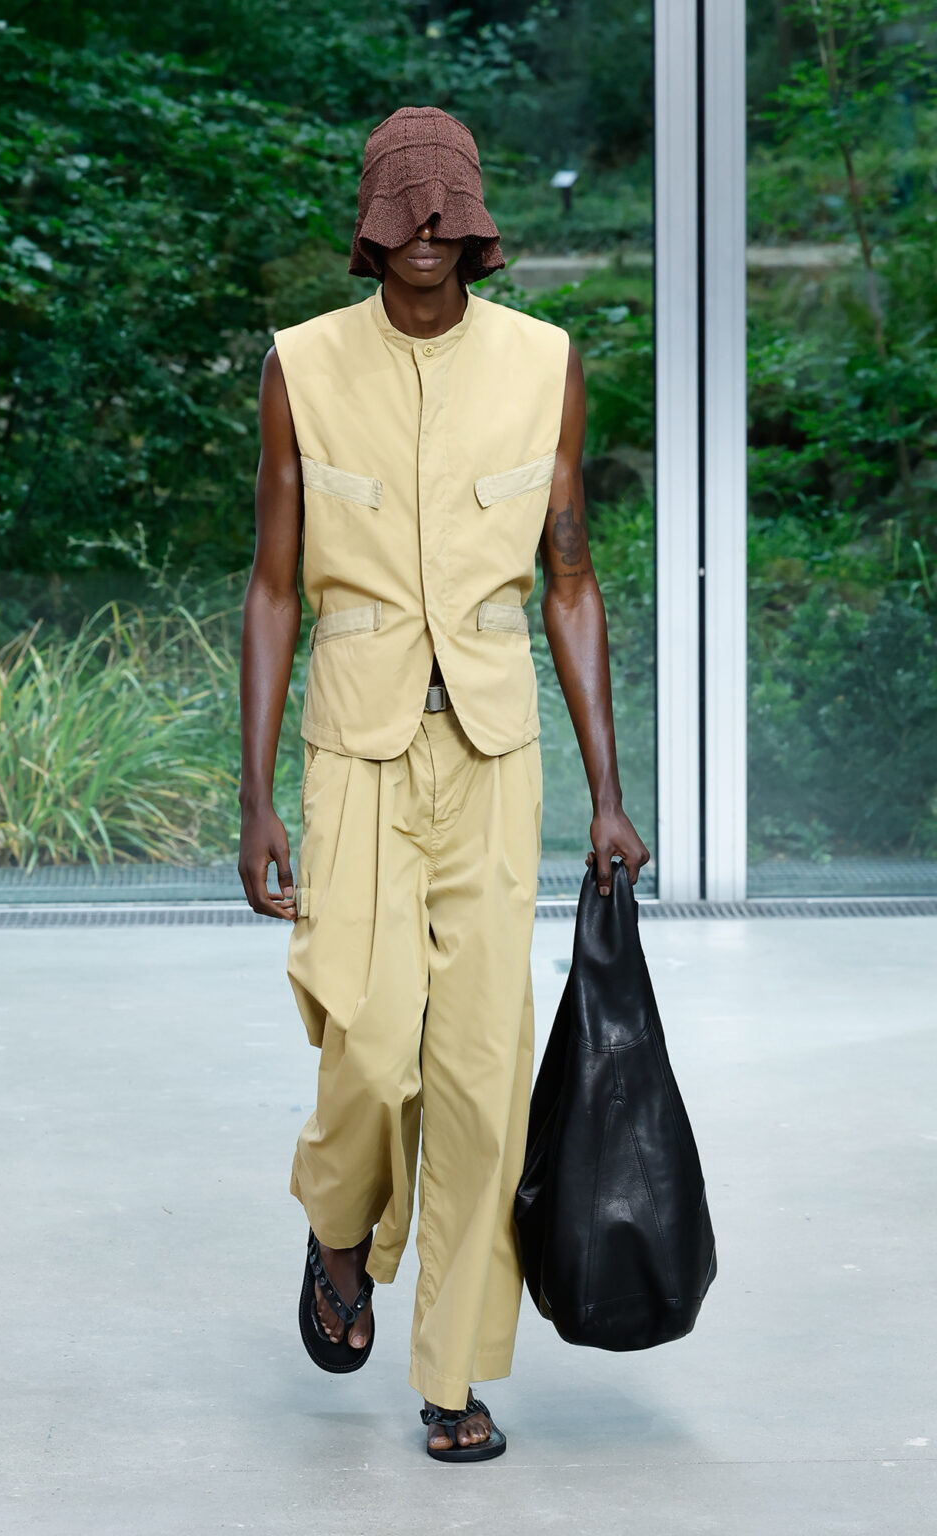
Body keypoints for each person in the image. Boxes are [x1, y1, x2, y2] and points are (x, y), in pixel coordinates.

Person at [237, 105, 649, 1462]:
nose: (425, 228)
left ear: (475, 224)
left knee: (478, 1075)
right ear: (371, 222)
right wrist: (253, 796)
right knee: (367, 1041)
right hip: (354, 751)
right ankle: (340, 1225)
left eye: (446, 206)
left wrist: (608, 791)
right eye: (403, 205)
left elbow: (570, 579)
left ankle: (456, 1373)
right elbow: (275, 586)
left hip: (492, 756)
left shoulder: (544, 364)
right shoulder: (302, 365)